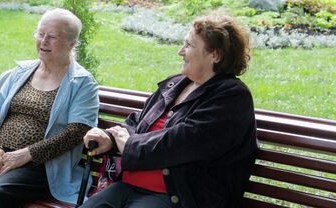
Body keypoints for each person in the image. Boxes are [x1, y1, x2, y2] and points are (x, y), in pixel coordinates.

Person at [82, 15, 257, 208]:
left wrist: (129, 144)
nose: (180, 52)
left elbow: (183, 141)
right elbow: (137, 123)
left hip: (178, 197)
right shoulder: (175, 84)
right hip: (128, 187)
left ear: (214, 55)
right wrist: (110, 138)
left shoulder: (231, 96)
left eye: (189, 45)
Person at [0, 9, 99, 208]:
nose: (43, 41)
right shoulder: (21, 72)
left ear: (71, 44)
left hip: (41, 165)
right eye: (40, 34)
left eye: (51, 37)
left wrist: (27, 154)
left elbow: (77, 131)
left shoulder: (82, 83)